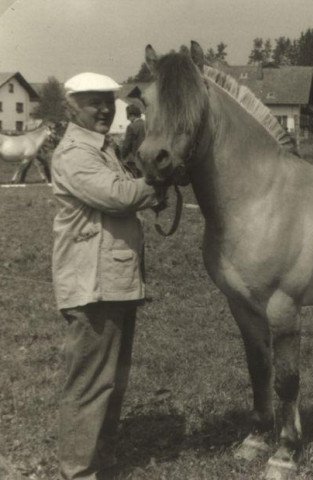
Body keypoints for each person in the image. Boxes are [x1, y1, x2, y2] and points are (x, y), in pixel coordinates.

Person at [51, 72, 166, 480]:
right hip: (92, 285)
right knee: (89, 385)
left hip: (113, 280)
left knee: (112, 381)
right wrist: (157, 181)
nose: (103, 109)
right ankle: (78, 471)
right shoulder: (74, 154)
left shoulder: (104, 149)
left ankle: (101, 460)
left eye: (107, 101)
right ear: (71, 108)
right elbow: (117, 196)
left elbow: (123, 187)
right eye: (92, 102)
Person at [120, 102, 145, 176]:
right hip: (148, 158)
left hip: (137, 159)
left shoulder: (131, 127)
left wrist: (122, 156)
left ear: (132, 115)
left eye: (128, 117)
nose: (128, 120)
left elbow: (126, 146)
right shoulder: (147, 124)